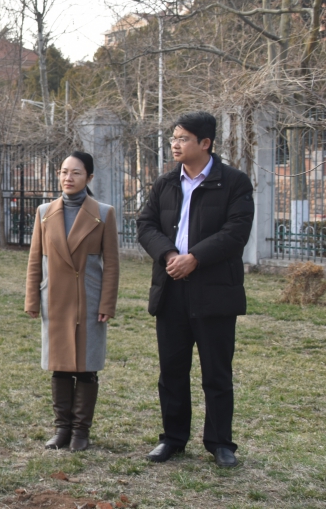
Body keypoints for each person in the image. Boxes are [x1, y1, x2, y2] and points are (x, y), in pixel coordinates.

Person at [137, 111, 254, 468]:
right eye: (173, 137)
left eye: (183, 138)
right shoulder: (165, 183)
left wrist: (195, 258)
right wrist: (169, 254)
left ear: (205, 143)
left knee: (216, 372)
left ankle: (220, 443)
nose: (174, 144)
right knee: (172, 370)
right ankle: (172, 438)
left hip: (215, 291)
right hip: (171, 289)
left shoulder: (234, 182)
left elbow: (236, 232)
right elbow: (146, 224)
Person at [24, 151, 119, 451]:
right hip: (55, 298)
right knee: (60, 365)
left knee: (86, 366)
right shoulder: (44, 212)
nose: (69, 178)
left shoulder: (104, 213)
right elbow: (35, 260)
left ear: (89, 177)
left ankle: (81, 431)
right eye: (64, 172)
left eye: (76, 173)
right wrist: (32, 298)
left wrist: (107, 304)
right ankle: (61, 429)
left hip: (89, 300)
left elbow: (112, 264)